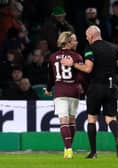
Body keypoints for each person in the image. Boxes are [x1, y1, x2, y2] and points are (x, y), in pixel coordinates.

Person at [61, 25, 118, 159]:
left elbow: (88, 68)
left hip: (96, 87)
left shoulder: (90, 48)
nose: (86, 38)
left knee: (92, 119)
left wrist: (72, 64)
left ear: (91, 35)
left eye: (86, 35)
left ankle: (93, 152)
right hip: (111, 86)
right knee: (110, 118)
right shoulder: (114, 47)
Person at [44, 31, 84, 159]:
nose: (76, 42)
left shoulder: (52, 57)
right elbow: (81, 76)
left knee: (63, 121)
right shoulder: (77, 57)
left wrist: (49, 89)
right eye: (74, 40)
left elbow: (51, 77)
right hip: (74, 91)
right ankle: (68, 148)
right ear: (67, 42)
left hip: (60, 91)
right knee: (72, 121)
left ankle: (68, 148)